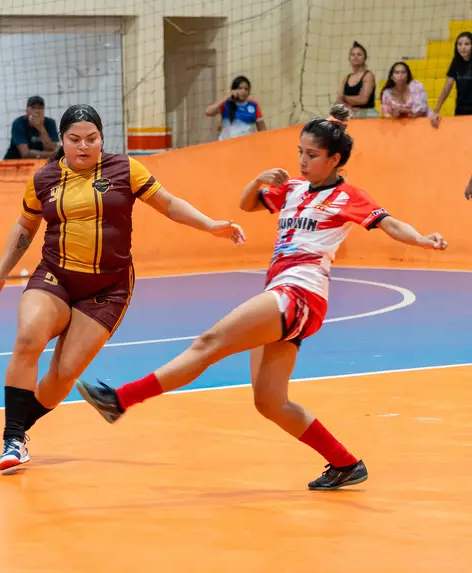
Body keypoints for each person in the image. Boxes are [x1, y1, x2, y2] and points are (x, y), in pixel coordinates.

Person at [76, 104, 448, 491]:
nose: (303, 161)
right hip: (281, 290)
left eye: (313, 155)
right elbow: (247, 204)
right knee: (270, 402)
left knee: (209, 342)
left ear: (335, 159)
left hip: (301, 292)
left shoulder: (347, 196)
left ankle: (120, 400)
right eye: (300, 152)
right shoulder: (293, 189)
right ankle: (345, 462)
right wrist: (257, 181)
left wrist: (421, 239)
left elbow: (389, 223)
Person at [0, 104, 246, 472]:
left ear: (102, 139)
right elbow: (25, 228)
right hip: (56, 275)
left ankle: (21, 429)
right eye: (74, 140)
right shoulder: (44, 178)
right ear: (62, 141)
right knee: (28, 339)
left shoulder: (126, 169)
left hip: (108, 287)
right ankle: (12, 439)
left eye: (92, 139)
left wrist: (210, 225)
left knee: (64, 371)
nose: (84, 146)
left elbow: (168, 204)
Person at [205, 76, 266, 140]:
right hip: (226, 144)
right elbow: (208, 112)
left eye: (246, 89)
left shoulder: (254, 105)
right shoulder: (226, 104)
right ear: (233, 90)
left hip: (246, 144)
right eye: (240, 88)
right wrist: (227, 97)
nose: (243, 91)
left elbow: (262, 128)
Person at [431, 31, 472, 126]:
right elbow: (447, 87)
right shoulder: (456, 62)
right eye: (460, 44)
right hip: (461, 108)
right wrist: (436, 110)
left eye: (467, 44)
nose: (463, 47)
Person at [336, 42, 377, 119]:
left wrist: (345, 98)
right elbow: (338, 100)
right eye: (353, 54)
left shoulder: (368, 76)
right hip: (350, 113)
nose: (355, 57)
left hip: (367, 114)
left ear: (365, 58)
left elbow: (363, 99)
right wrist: (349, 106)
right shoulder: (346, 78)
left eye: (359, 54)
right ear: (349, 58)